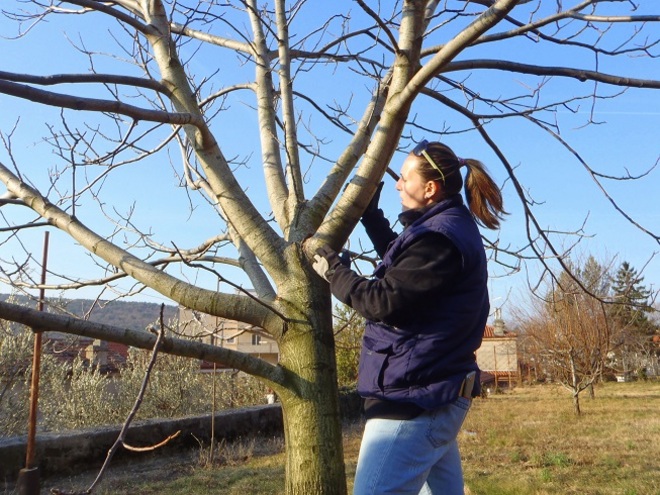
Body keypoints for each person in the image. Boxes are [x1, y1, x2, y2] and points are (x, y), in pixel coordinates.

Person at [313, 140, 505, 495]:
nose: (398, 185)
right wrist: (371, 217)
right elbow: (405, 267)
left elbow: (382, 300)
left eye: (404, 178)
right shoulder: (442, 229)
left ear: (430, 189)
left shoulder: (439, 240)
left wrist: (334, 273)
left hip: (415, 402)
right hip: (433, 394)